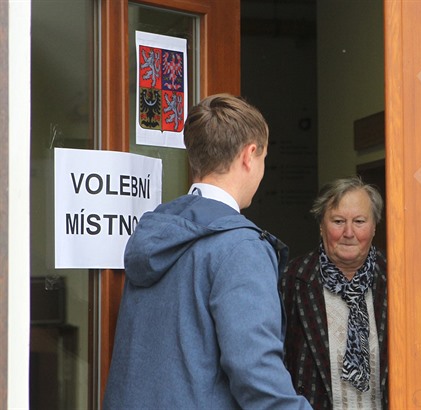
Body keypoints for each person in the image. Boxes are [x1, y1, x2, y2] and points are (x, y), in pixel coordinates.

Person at [103, 94, 312, 410]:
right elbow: (258, 376)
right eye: (264, 157)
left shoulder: (156, 231)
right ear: (249, 155)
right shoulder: (240, 248)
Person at [279, 176, 388, 409]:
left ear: (374, 226)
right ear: (321, 226)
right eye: (338, 221)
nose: (349, 232)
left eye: (359, 221)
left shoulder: (396, 280)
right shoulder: (292, 280)